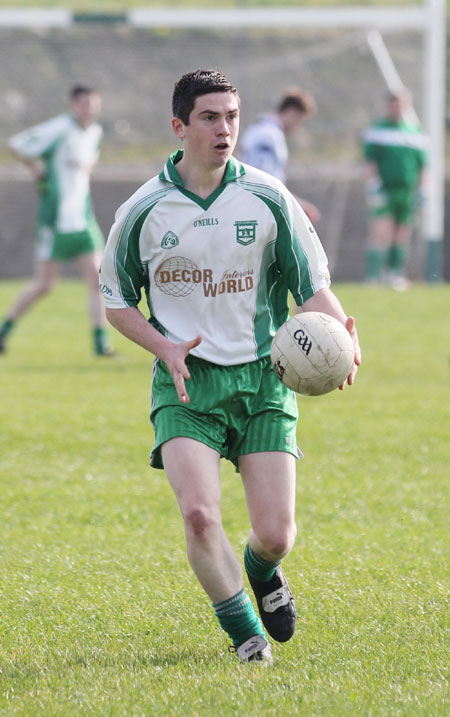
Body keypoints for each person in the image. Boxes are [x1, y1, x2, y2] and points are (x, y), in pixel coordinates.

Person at [99, 69, 361, 663]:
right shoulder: (144, 210)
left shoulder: (268, 197)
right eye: (211, 118)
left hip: (264, 379)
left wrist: (341, 334)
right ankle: (246, 635)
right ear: (180, 126)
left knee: (276, 534)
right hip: (187, 383)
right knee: (197, 514)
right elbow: (116, 300)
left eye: (232, 116)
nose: (225, 129)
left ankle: (262, 569)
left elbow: (310, 287)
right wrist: (161, 346)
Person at [0, 84, 113, 356]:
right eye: (84, 103)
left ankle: (101, 344)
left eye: (93, 103)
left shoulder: (94, 133)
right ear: (73, 104)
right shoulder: (60, 128)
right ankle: (3, 331)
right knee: (45, 284)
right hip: (56, 220)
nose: (89, 109)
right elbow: (16, 144)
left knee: (98, 280)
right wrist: (37, 170)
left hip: (83, 220)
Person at [361, 88, 428, 290]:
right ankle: (373, 277)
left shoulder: (416, 133)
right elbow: (370, 162)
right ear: (388, 105)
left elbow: (424, 166)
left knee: (402, 234)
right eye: (394, 103)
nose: (398, 107)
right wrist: (374, 186)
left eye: (401, 103)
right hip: (385, 190)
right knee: (381, 231)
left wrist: (423, 190)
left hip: (407, 192)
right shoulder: (377, 130)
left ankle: (394, 274)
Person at [239, 86, 320, 223]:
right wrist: (294, 205)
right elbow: (262, 177)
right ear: (292, 112)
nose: (298, 127)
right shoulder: (269, 135)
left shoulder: (259, 130)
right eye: (301, 121)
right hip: (261, 211)